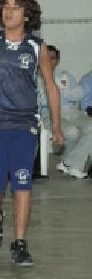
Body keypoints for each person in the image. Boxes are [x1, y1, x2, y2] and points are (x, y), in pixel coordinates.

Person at [0, 0, 64, 267]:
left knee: (23, 183)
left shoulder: (38, 47)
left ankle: (20, 243)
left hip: (25, 124)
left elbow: (50, 86)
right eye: (5, 6)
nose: (8, 11)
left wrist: (56, 126)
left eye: (15, 7)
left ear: (27, 14)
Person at [36, 45, 91, 179]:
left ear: (57, 60)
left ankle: (69, 163)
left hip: (71, 111)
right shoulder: (35, 78)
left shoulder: (64, 75)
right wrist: (60, 93)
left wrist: (62, 93)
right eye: (46, 58)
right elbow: (42, 101)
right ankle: (71, 163)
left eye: (53, 58)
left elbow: (80, 93)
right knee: (72, 131)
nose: (50, 61)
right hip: (48, 114)